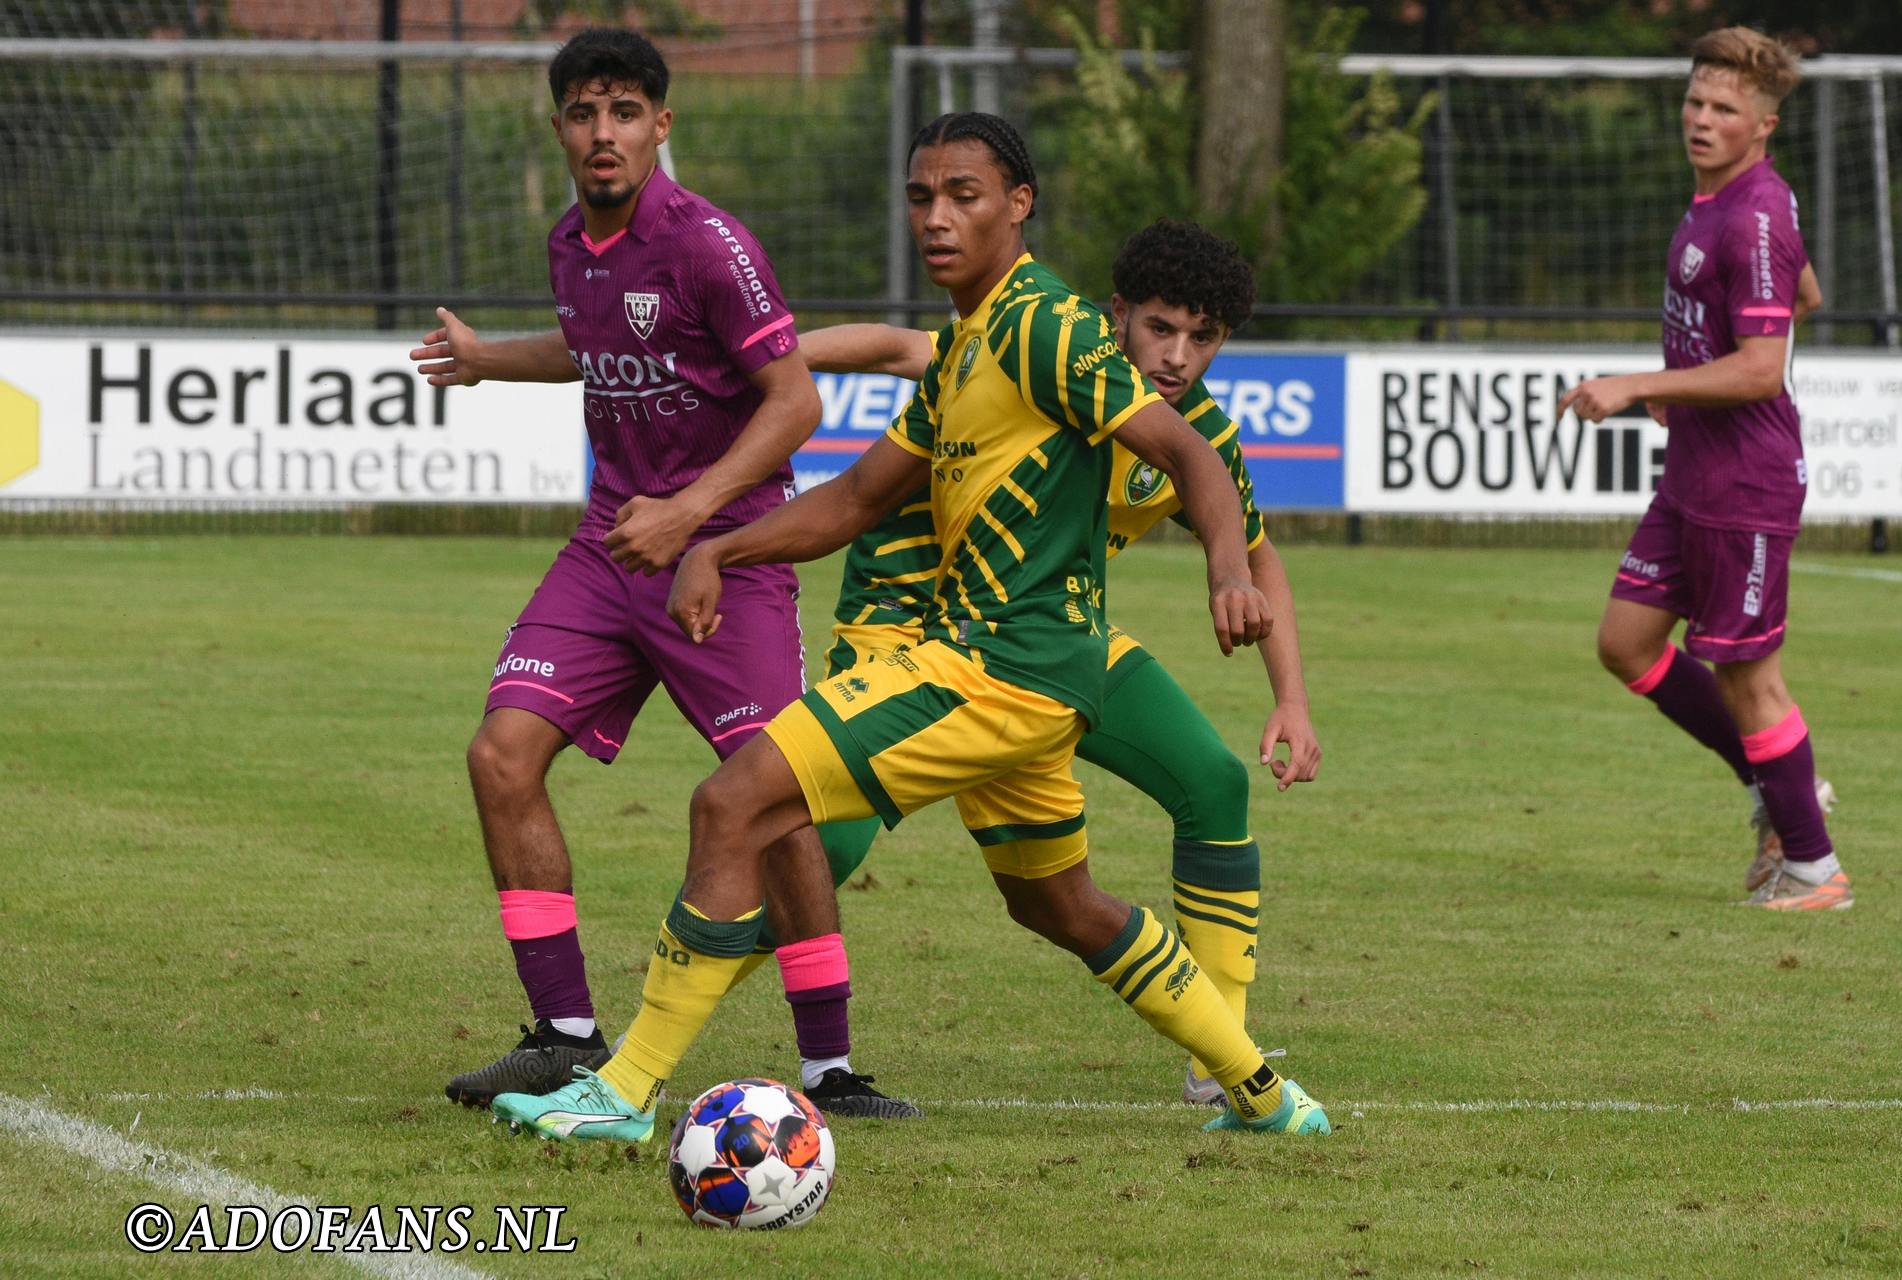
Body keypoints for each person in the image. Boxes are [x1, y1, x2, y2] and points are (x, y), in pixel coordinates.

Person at [488, 111, 1331, 1143]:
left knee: (734, 800)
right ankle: (1264, 1094)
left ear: (1018, 205)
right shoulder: (970, 346)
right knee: (1060, 904)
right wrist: (716, 544)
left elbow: (1190, 453)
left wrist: (1224, 572)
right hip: (1007, 670)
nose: (937, 217)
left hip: (999, 666)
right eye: (921, 197)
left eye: (964, 196)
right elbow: (852, 501)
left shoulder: (1047, 326)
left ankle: (622, 1089)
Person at [410, 27, 912, 1116]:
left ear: (660, 126)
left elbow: (796, 403)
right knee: (501, 753)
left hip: (722, 557)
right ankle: (565, 1036)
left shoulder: (707, 244)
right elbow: (589, 345)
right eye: (585, 114)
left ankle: (830, 1065)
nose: (605, 132)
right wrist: (492, 360)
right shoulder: (568, 243)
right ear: (560, 130)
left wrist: (693, 513)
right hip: (607, 550)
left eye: (625, 112)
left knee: (769, 794)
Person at [798, 217, 1320, 1106]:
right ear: (1118, 314)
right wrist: (768, 359)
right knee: (814, 842)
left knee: (1213, 782)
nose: (1179, 355)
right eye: (1160, 327)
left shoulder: (1197, 434)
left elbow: (1257, 549)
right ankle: (672, 1034)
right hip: (912, 628)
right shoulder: (1046, 351)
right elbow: (895, 347)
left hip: (1049, 637)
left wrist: (1292, 702)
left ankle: (1221, 1054)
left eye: (1205, 338)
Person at [1558, 27, 1847, 910]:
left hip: (1744, 482)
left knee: (1748, 675)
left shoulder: (1752, 213)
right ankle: (1772, 785)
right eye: (1695, 101)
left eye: (1724, 109)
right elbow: (1804, 293)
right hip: (1696, 474)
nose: (1702, 118)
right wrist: (1684, 384)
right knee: (1628, 643)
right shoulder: (1726, 203)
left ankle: (1814, 867)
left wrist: (1643, 382)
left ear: (1762, 125)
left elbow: (1764, 365)